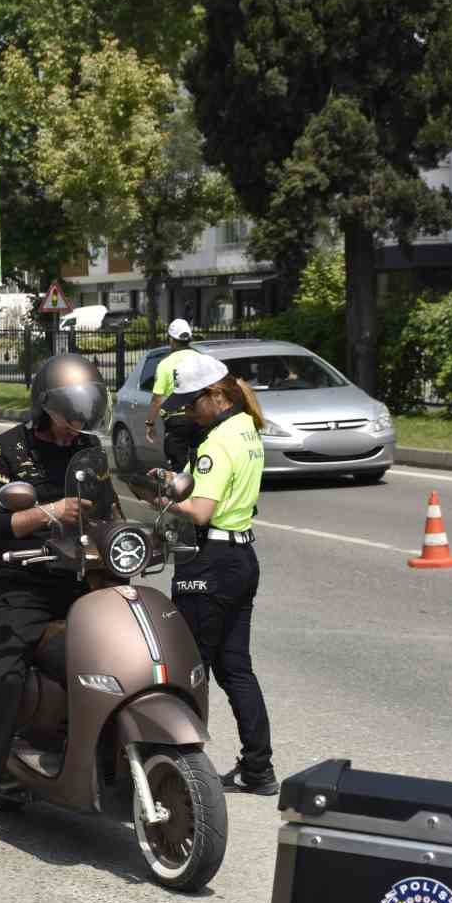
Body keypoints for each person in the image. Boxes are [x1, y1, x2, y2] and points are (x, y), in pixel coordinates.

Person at [0, 353, 109, 867]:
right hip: (22, 583)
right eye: (71, 416)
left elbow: (110, 511)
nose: (76, 429)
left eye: (85, 416)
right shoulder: (5, 450)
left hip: (83, 579)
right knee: (6, 673)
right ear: (47, 406)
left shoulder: (90, 450)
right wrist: (49, 513)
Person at [156, 350, 278, 796]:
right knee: (235, 667)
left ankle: (182, 774)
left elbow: (201, 511)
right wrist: (175, 480)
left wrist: (162, 499)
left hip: (209, 562)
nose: (188, 413)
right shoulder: (246, 428)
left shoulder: (216, 443)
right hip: (241, 558)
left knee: (191, 669)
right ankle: (258, 769)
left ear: (215, 396)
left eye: (191, 404)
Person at [145, 319, 201, 469]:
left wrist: (150, 423)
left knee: (178, 467)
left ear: (171, 340)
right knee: (201, 463)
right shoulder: (201, 359)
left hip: (177, 421)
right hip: (201, 417)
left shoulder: (165, 364)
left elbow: (157, 399)